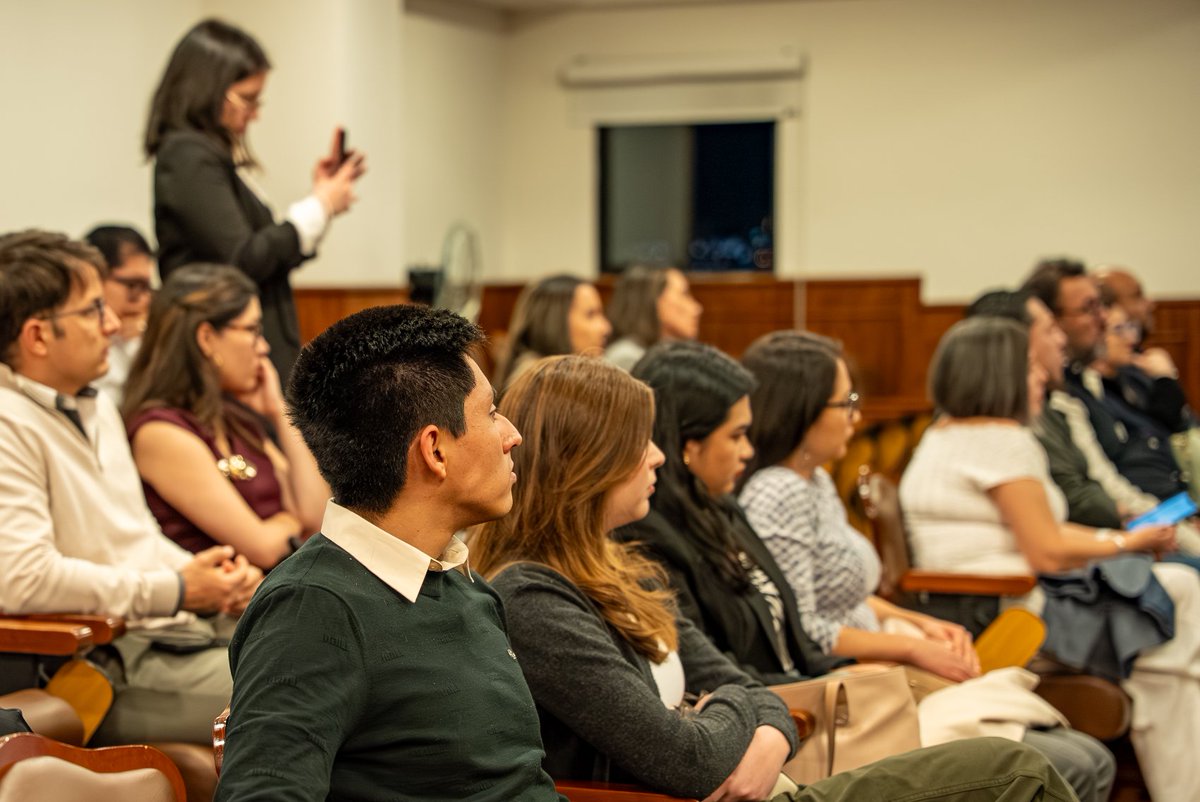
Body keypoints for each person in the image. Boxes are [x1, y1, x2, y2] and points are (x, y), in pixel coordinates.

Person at [472, 355, 1080, 802]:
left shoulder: (628, 569)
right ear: (587, 462)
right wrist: (751, 721)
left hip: (761, 781)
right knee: (1018, 773)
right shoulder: (534, 596)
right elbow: (684, 759)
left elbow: (750, 693)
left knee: (1026, 762)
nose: (658, 456)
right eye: (640, 443)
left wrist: (760, 731)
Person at [737, 330, 1115, 802]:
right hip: (852, 691)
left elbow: (845, 595)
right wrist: (912, 649)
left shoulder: (812, 481)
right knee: (1072, 763)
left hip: (878, 665)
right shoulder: (778, 491)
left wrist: (918, 623)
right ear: (803, 408)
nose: (857, 416)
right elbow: (805, 626)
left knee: (1085, 757)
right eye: (845, 402)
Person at [215, 304, 564, 801]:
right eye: (490, 412)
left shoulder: (461, 585)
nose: (512, 435)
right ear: (434, 450)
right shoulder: (313, 608)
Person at [900, 316, 1200, 802]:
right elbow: (1046, 546)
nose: (1040, 375)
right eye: (1026, 367)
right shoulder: (998, 438)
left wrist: (1117, 538)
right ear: (994, 374)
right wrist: (1128, 543)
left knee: (1169, 611)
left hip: (984, 601)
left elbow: (1046, 532)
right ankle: (1180, 787)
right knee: (1176, 600)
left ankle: (1178, 777)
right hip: (1002, 616)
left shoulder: (946, 433)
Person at [0, 229, 260, 745]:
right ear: (37, 336)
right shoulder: (9, 423)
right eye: (93, 311)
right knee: (299, 692)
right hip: (98, 664)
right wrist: (178, 588)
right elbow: (22, 578)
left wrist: (210, 577)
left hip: (167, 632)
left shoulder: (93, 405)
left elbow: (134, 536)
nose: (114, 324)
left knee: (329, 648)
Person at [145, 18, 366, 382]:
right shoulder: (186, 156)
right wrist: (320, 205)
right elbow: (244, 259)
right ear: (206, 91)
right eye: (247, 99)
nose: (255, 113)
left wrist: (319, 201)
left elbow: (263, 255)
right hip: (220, 357)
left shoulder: (207, 156)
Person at [616, 340, 844, 685]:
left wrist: (843, 672)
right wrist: (824, 687)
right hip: (770, 712)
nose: (748, 451)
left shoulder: (721, 508)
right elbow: (708, 673)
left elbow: (797, 643)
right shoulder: (647, 538)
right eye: (736, 436)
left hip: (803, 696)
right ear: (688, 445)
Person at [122, 264, 329, 570]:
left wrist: (279, 412)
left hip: (278, 587)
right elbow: (263, 548)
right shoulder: (159, 431)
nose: (263, 347)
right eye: (252, 331)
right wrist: (292, 520)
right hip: (217, 611)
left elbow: (318, 516)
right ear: (206, 338)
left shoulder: (236, 416)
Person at [1022, 259, 1187, 501]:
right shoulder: (1049, 396)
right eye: (1089, 308)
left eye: (1101, 305)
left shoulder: (1098, 379)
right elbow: (1091, 492)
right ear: (1052, 320)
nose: (1103, 318)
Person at [492, 274, 611, 388]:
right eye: (591, 315)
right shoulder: (538, 383)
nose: (606, 328)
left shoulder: (565, 376)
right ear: (556, 321)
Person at [84, 225, 155, 405]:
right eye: (133, 285)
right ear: (95, 277)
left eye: (147, 287)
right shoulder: (72, 337)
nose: (143, 299)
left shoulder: (146, 330)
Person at [604, 264, 702, 371]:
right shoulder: (627, 359)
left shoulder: (665, 355)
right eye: (684, 294)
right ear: (655, 302)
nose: (697, 308)